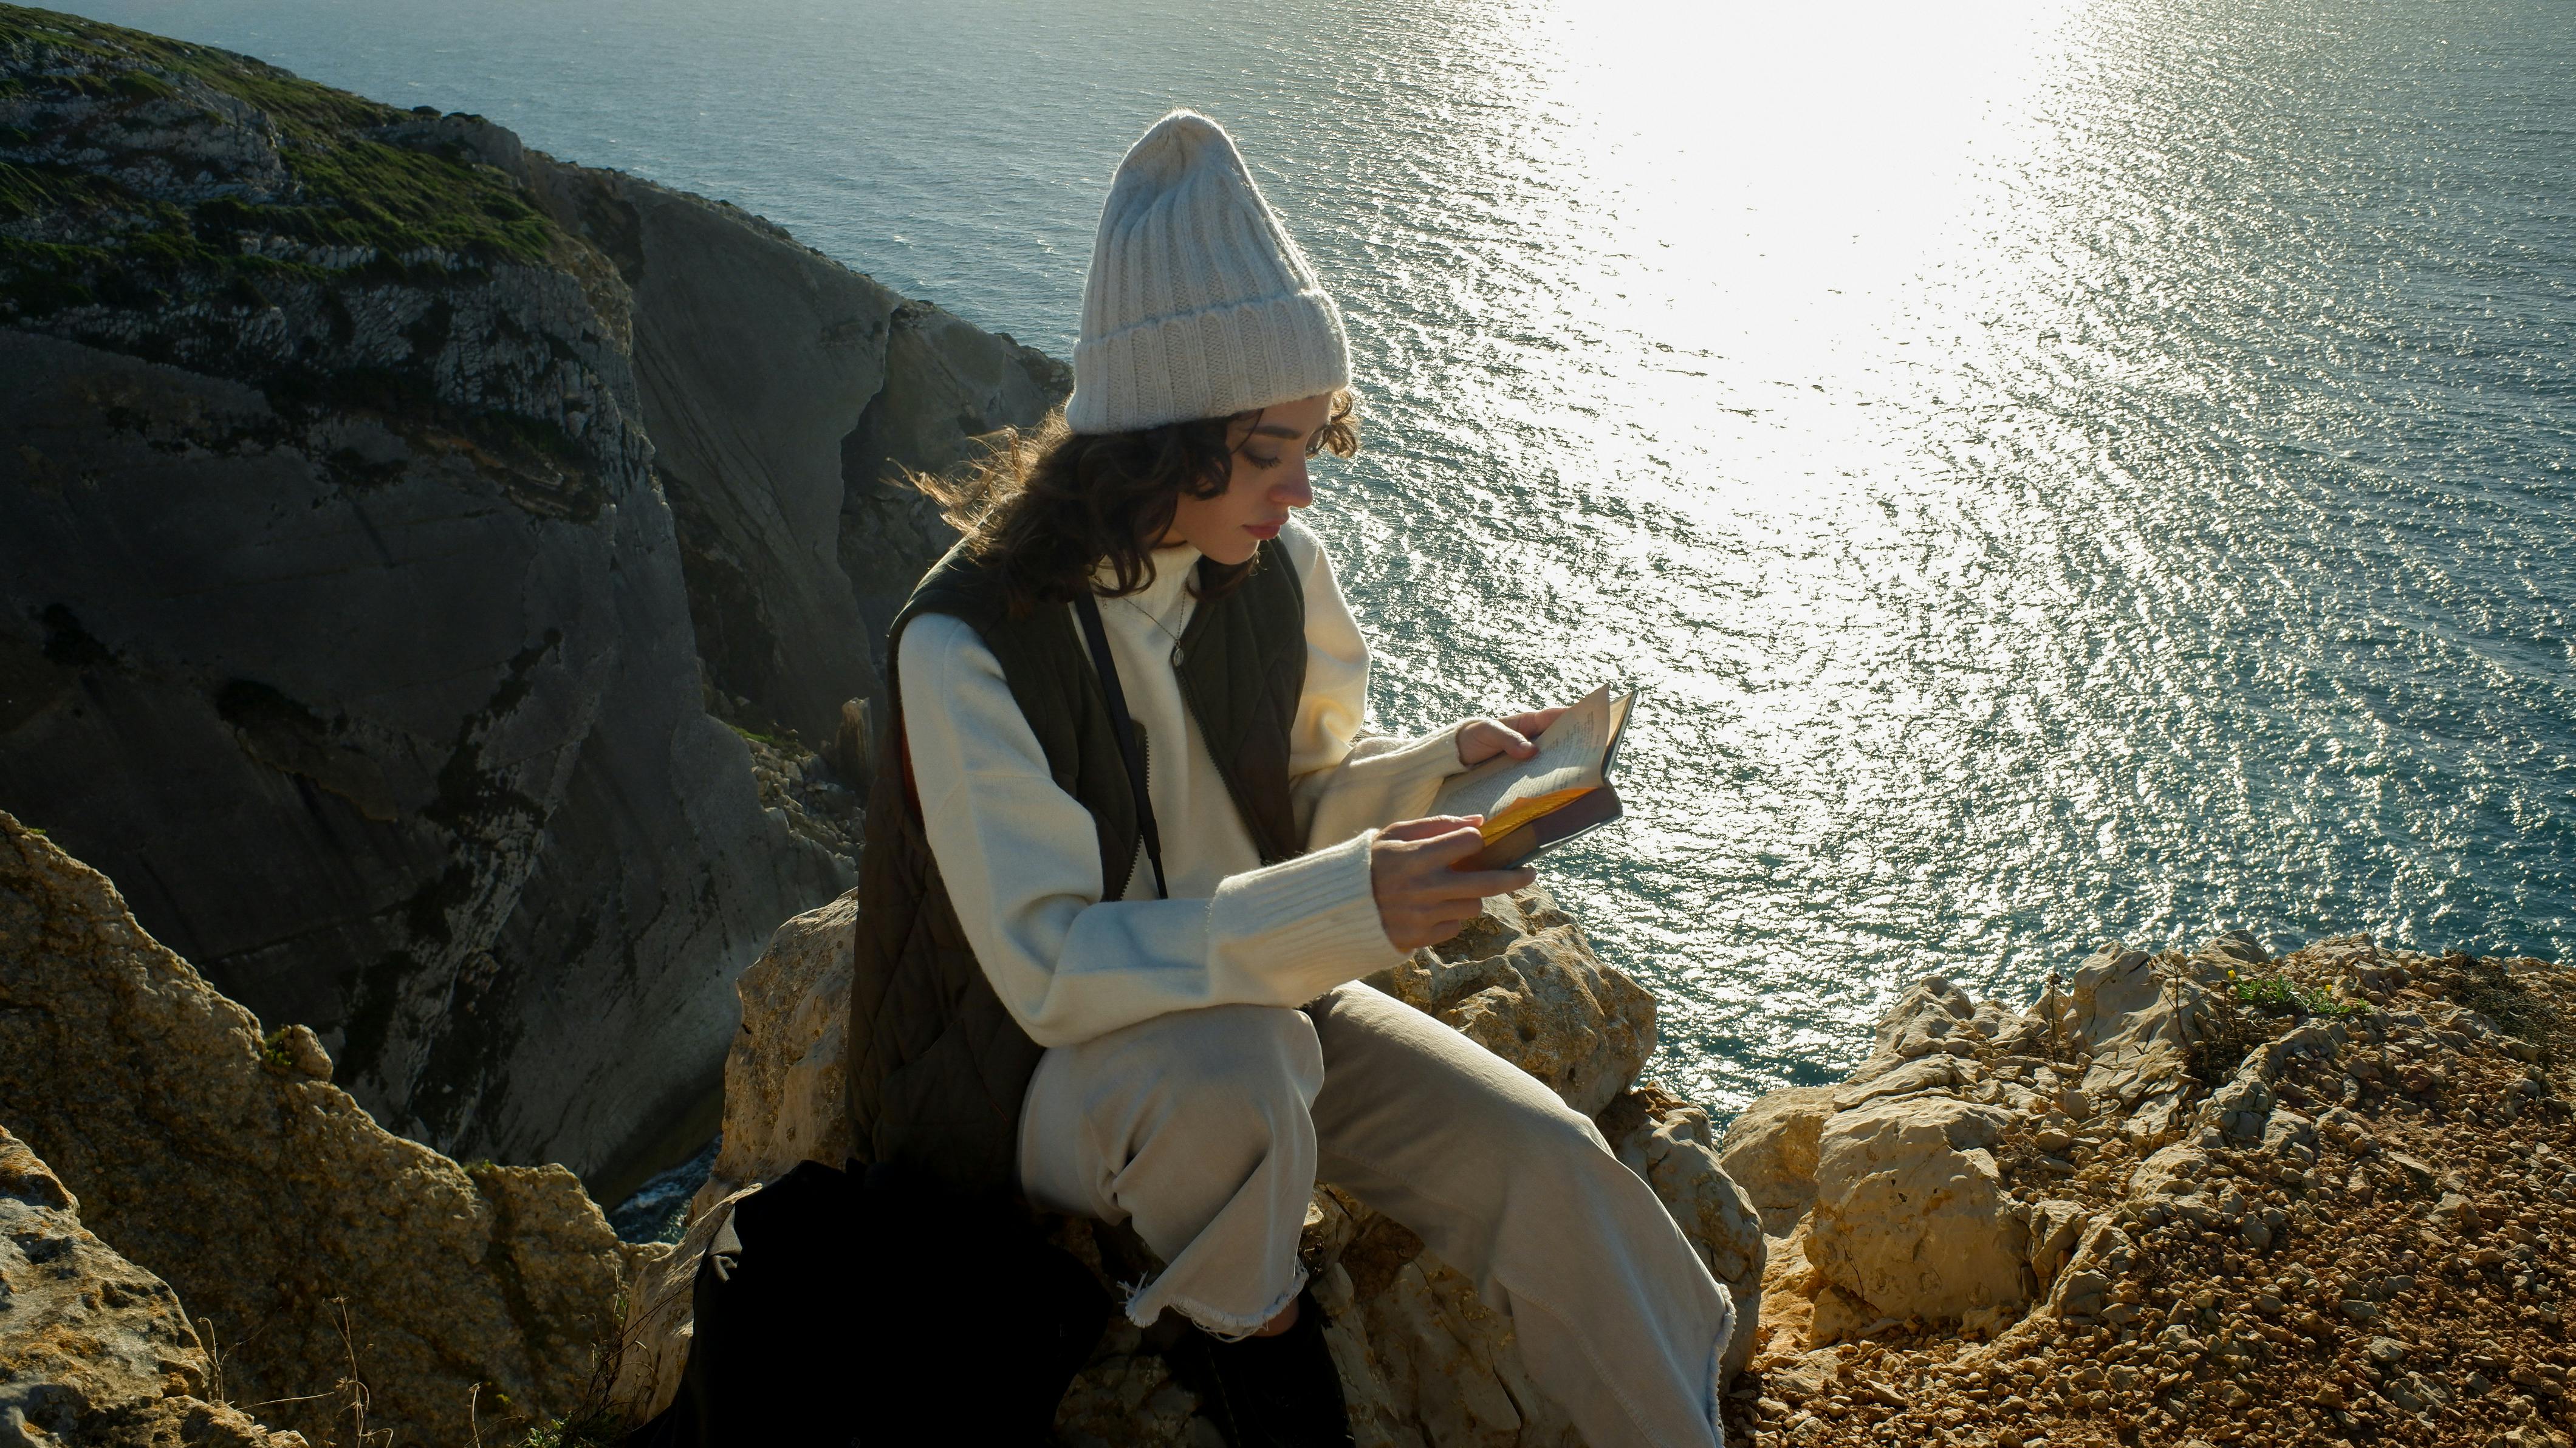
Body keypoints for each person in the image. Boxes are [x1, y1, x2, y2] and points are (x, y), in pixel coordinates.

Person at [846, 109, 1733, 1448]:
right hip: (1022, 1080)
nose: (1301, 491)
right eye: (1269, 453)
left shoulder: (1264, 574)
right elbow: (1049, 967)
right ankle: (1258, 1348)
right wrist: (1340, 911)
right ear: (1157, 439)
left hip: (1246, 998)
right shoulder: (968, 641)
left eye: (1315, 444)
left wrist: (1452, 773)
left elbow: (1307, 795)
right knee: (1249, 1061)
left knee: (1545, 1162)